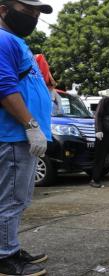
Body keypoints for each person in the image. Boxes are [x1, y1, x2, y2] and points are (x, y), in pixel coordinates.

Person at [0, 1, 53, 275]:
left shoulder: (15, 41)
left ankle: (9, 245)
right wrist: (30, 125)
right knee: (10, 199)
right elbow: (4, 87)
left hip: (20, 136)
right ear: (3, 9)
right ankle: (4, 257)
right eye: (28, 10)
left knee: (18, 198)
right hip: (12, 134)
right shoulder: (2, 39)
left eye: (37, 13)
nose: (33, 16)